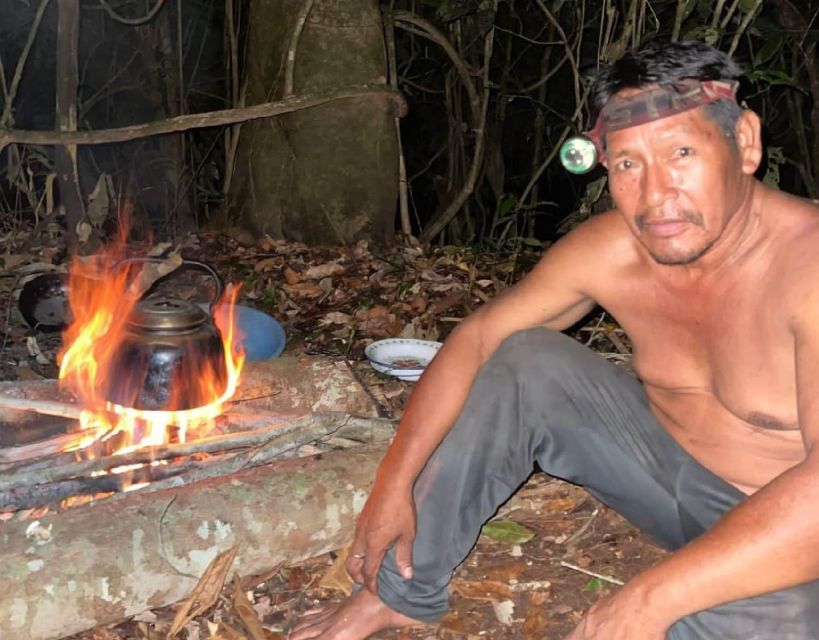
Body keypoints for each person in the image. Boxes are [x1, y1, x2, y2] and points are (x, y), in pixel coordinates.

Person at [290, 40, 819, 640]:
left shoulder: (808, 267)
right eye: (626, 164)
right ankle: (401, 592)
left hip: (787, 534)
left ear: (744, 142)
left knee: (789, 620)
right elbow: (476, 339)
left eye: (681, 152)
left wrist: (652, 596)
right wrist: (395, 482)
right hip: (666, 478)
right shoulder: (614, 250)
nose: (654, 195)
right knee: (526, 359)